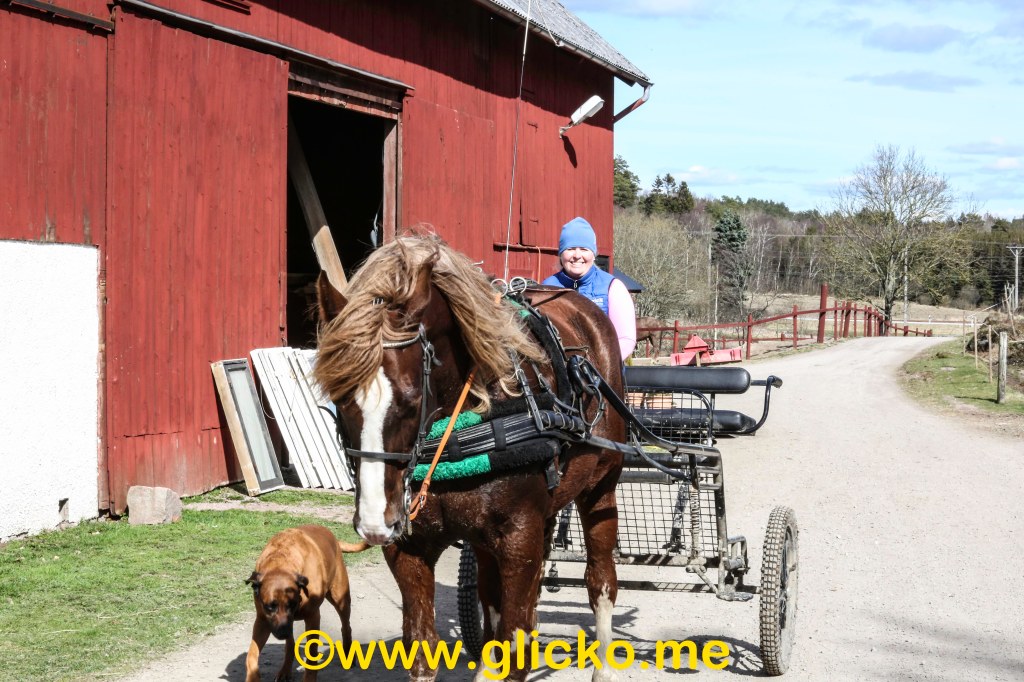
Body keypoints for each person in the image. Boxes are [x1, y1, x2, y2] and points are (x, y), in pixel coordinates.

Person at [542, 216, 637, 360]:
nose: (577, 255)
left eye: (584, 249)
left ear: (593, 255)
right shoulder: (547, 288)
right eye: (571, 249)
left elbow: (626, 339)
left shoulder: (612, 287)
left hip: (603, 376)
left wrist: (598, 366)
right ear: (561, 254)